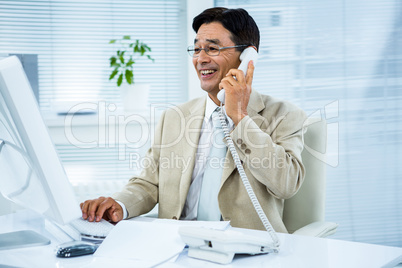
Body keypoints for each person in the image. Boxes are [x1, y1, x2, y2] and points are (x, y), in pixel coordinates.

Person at [80, 7, 307, 233]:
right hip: (177, 248)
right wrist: (119, 205)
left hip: (247, 253)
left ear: (247, 56)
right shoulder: (174, 118)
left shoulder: (284, 115)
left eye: (212, 48)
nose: (201, 59)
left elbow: (286, 184)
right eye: (196, 49)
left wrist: (240, 118)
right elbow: (149, 183)